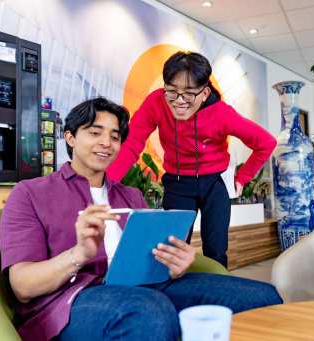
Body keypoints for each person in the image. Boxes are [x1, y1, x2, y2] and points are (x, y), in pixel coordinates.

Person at [0, 98, 282, 341]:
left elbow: (152, 263)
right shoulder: (30, 193)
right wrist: (79, 253)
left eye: (114, 136)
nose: (106, 143)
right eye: (95, 132)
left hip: (147, 289)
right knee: (148, 310)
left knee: (261, 297)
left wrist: (176, 264)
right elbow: (22, 287)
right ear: (70, 137)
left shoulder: (130, 196)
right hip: (72, 300)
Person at [107, 51, 277, 267]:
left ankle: (216, 295)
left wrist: (243, 178)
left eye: (188, 94)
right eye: (172, 91)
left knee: (215, 250)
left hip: (214, 182)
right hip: (178, 183)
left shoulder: (222, 114)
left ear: (205, 93)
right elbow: (132, 144)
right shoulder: (156, 103)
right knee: (172, 249)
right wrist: (105, 185)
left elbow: (266, 143)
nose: (179, 101)